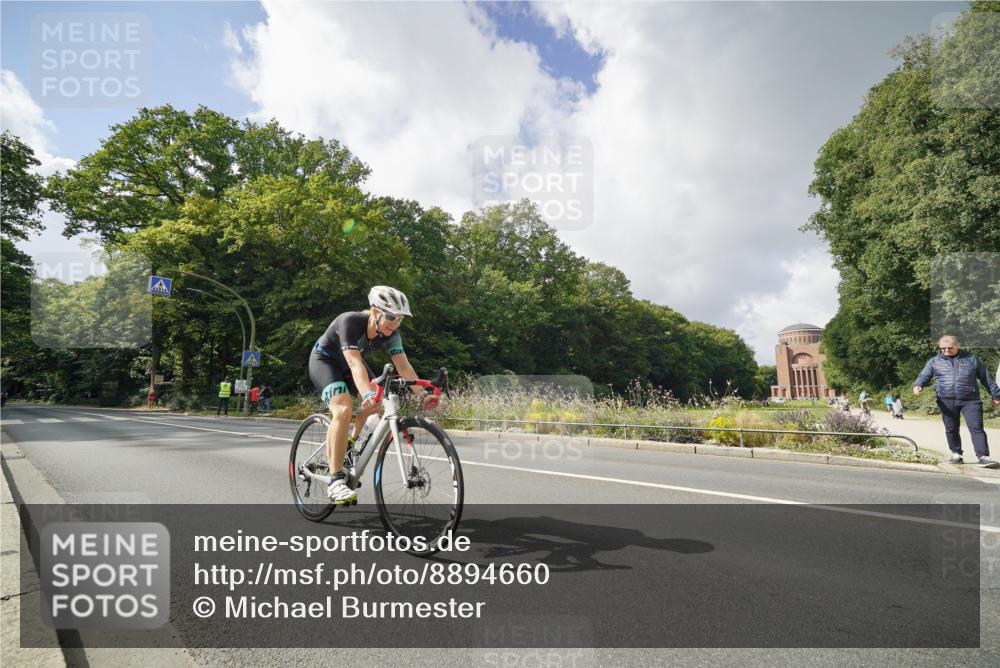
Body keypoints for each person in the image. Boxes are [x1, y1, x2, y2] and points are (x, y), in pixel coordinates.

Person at [308, 286, 433, 504]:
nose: (394, 325)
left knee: (376, 405)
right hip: (325, 361)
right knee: (344, 407)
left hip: (350, 365)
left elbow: (403, 366)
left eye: (399, 320)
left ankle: (349, 443)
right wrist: (366, 393)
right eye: (390, 317)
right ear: (375, 312)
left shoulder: (392, 335)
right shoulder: (349, 321)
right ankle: (336, 480)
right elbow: (355, 364)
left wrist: (422, 395)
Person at [913, 335, 1000, 468]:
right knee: (951, 428)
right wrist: (918, 385)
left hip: (970, 400)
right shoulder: (934, 361)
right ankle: (956, 454)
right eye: (943, 348)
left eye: (949, 347)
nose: (946, 350)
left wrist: (996, 395)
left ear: (958, 345)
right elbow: (924, 376)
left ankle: (983, 456)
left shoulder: (972, 360)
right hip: (946, 400)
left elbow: (986, 379)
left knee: (976, 427)